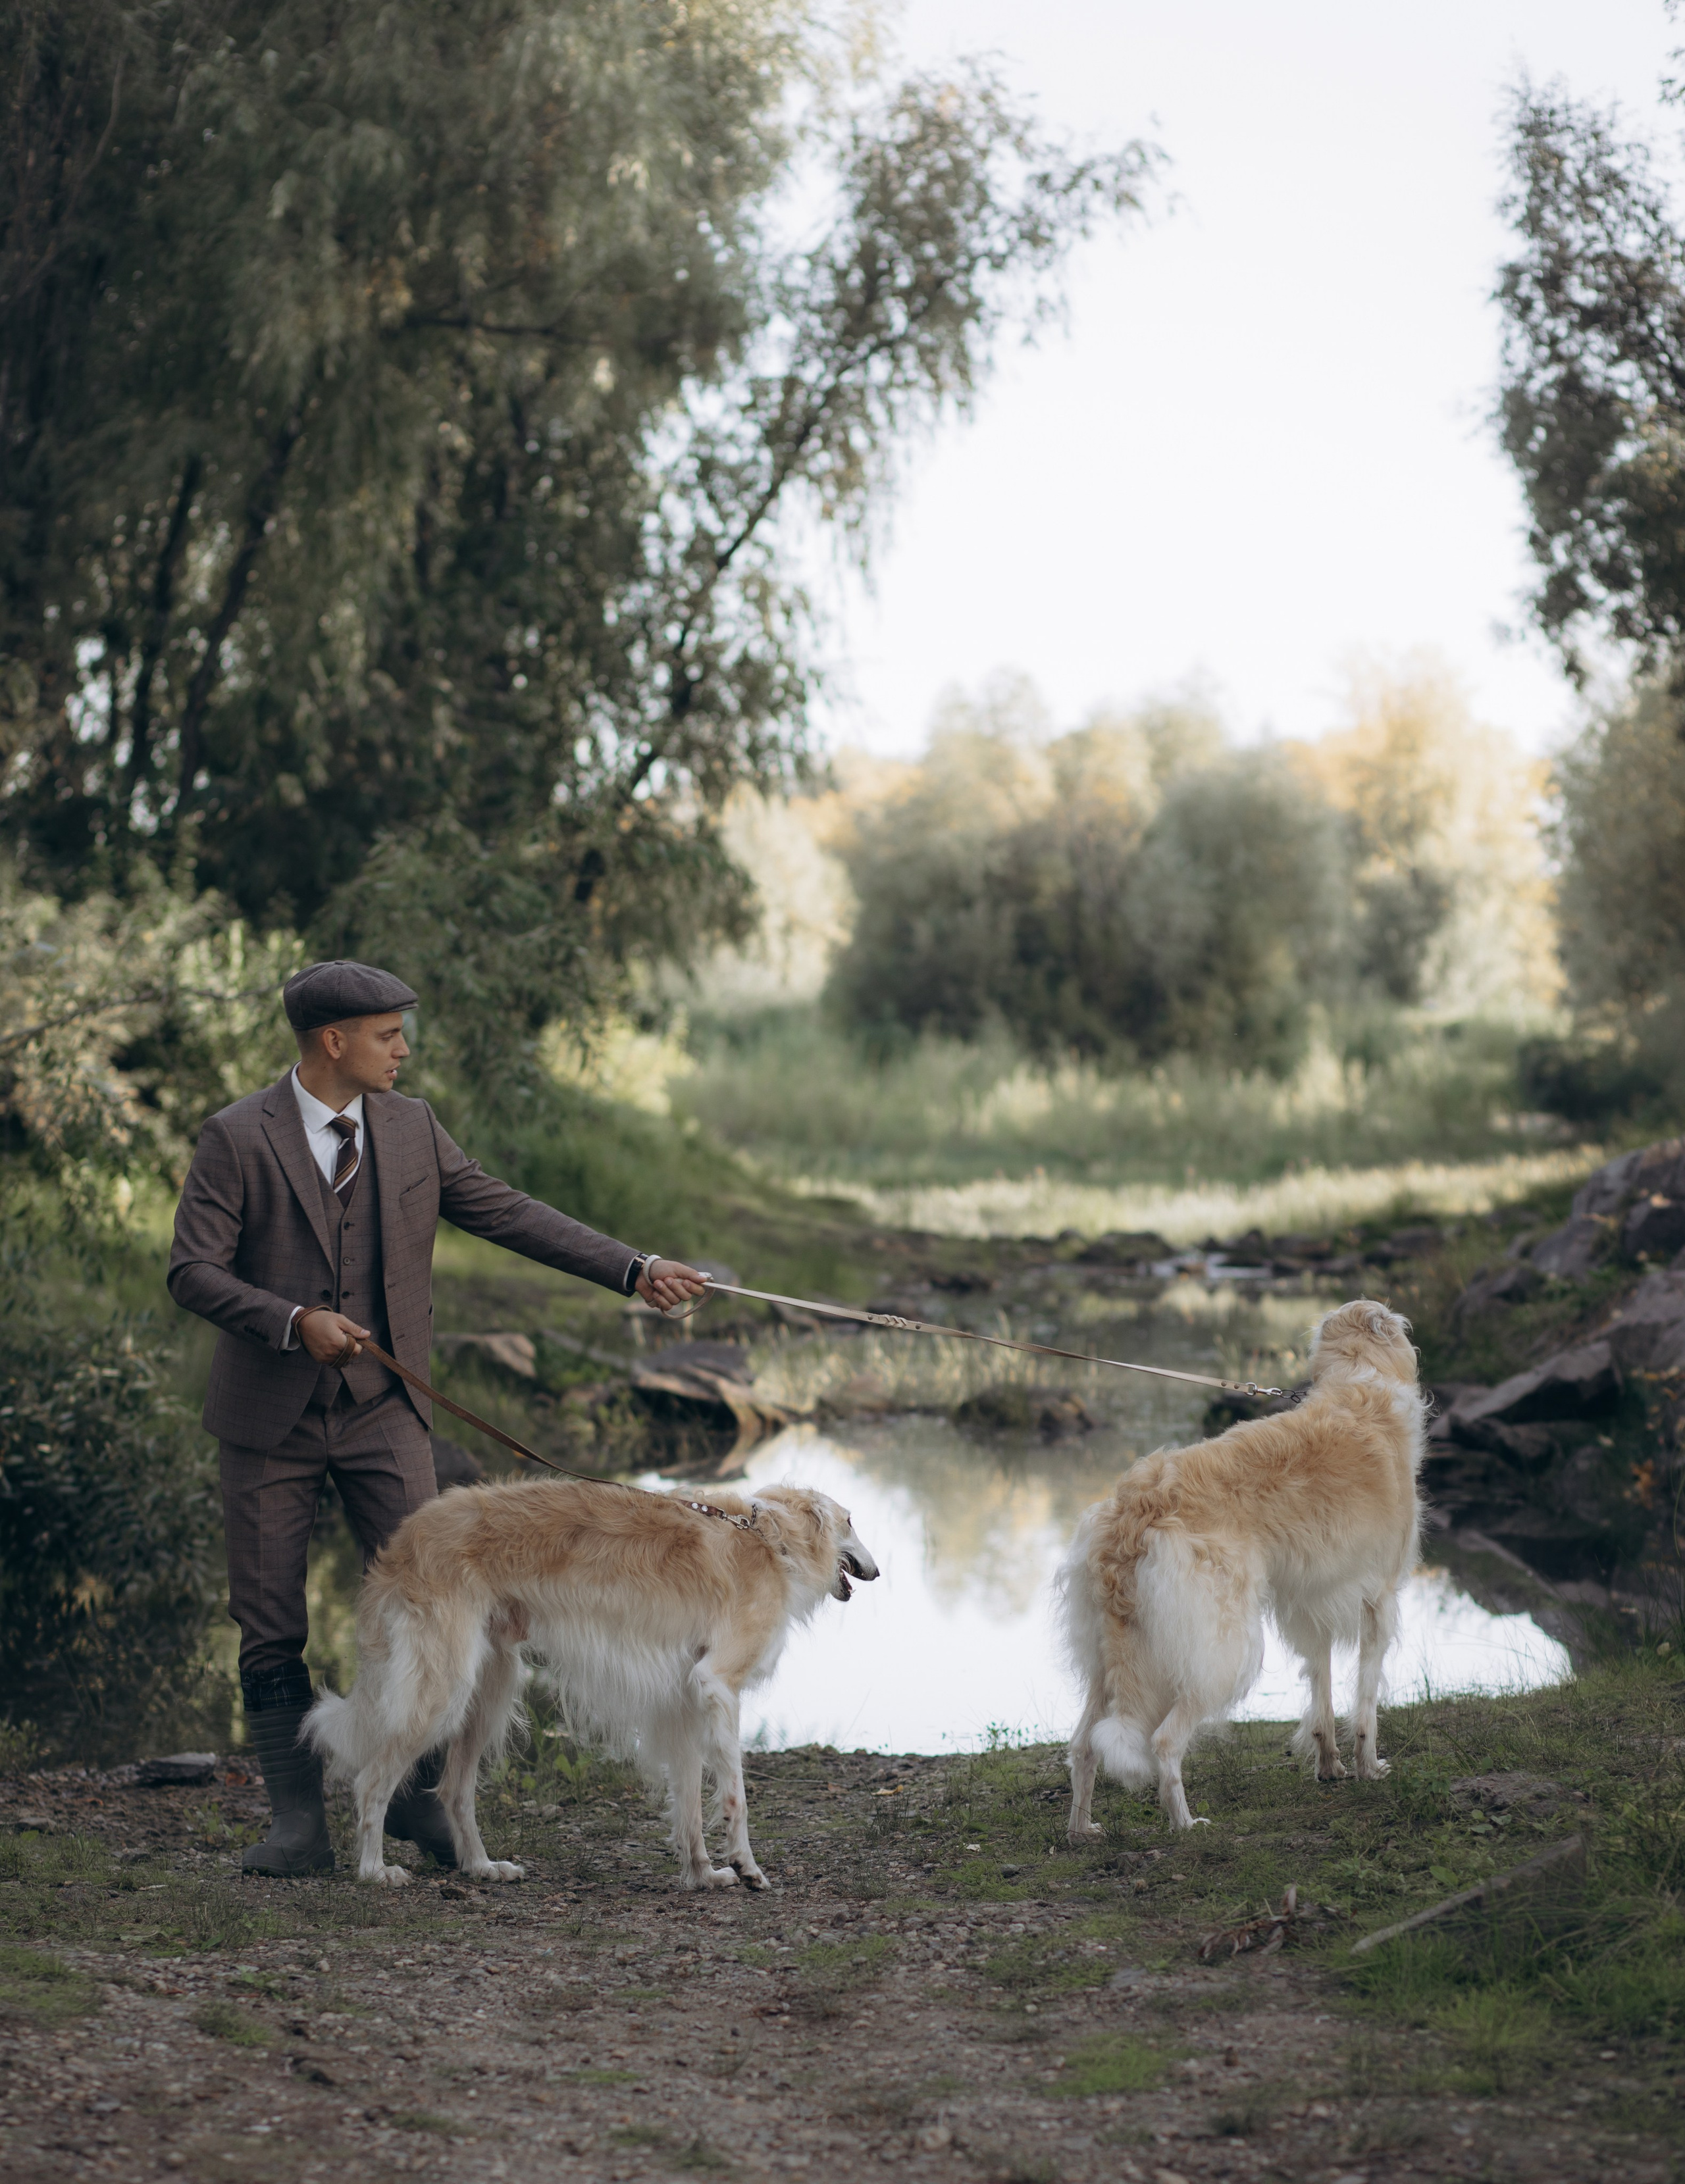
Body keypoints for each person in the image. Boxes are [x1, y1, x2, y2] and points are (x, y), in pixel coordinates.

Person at [168, 959, 706, 1876]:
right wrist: (295, 1322)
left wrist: (631, 1267)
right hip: (269, 1419)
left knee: (441, 1606)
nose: (403, 1050)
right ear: (333, 1041)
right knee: (269, 1623)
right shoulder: (235, 1137)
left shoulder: (413, 1128)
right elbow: (193, 1271)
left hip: (385, 1412)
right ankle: (299, 1831)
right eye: (388, 1034)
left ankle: (418, 1812)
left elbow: (504, 1210)